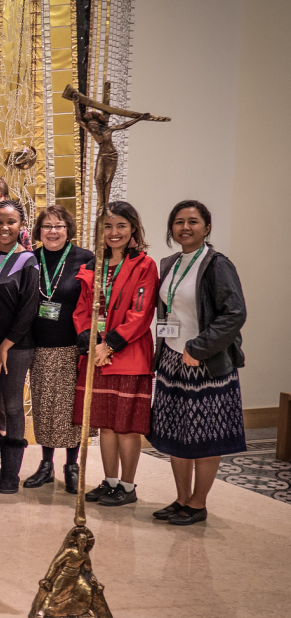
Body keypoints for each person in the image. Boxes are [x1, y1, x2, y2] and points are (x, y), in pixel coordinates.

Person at [147, 201, 247, 526]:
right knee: (177, 432)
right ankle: (180, 499)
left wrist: (200, 348)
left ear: (207, 227)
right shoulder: (170, 263)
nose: (185, 227)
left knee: (205, 437)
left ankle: (198, 503)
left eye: (193, 221)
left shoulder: (217, 264)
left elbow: (235, 313)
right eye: (178, 222)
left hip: (206, 364)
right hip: (173, 361)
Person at [73, 201, 159, 508]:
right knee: (105, 424)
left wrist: (109, 345)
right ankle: (109, 481)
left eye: (121, 226)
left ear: (133, 228)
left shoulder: (144, 265)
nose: (114, 232)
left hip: (128, 354)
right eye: (108, 226)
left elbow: (141, 311)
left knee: (126, 426)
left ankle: (127, 485)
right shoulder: (94, 265)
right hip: (96, 354)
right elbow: (83, 307)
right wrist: (91, 341)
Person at [24, 205, 94, 494]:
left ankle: (72, 465)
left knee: (70, 410)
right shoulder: (30, 258)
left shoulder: (85, 259)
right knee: (44, 408)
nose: (53, 231)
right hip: (39, 345)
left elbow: (92, 300)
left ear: (69, 230)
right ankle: (46, 464)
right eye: (47, 226)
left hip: (72, 346)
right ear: (39, 231)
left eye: (59, 226)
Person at [0, 200, 41, 495]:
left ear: (21, 226)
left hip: (15, 345)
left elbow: (29, 310)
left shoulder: (27, 261)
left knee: (12, 406)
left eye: (11, 222)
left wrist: (4, 346)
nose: (4, 227)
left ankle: (12, 473)